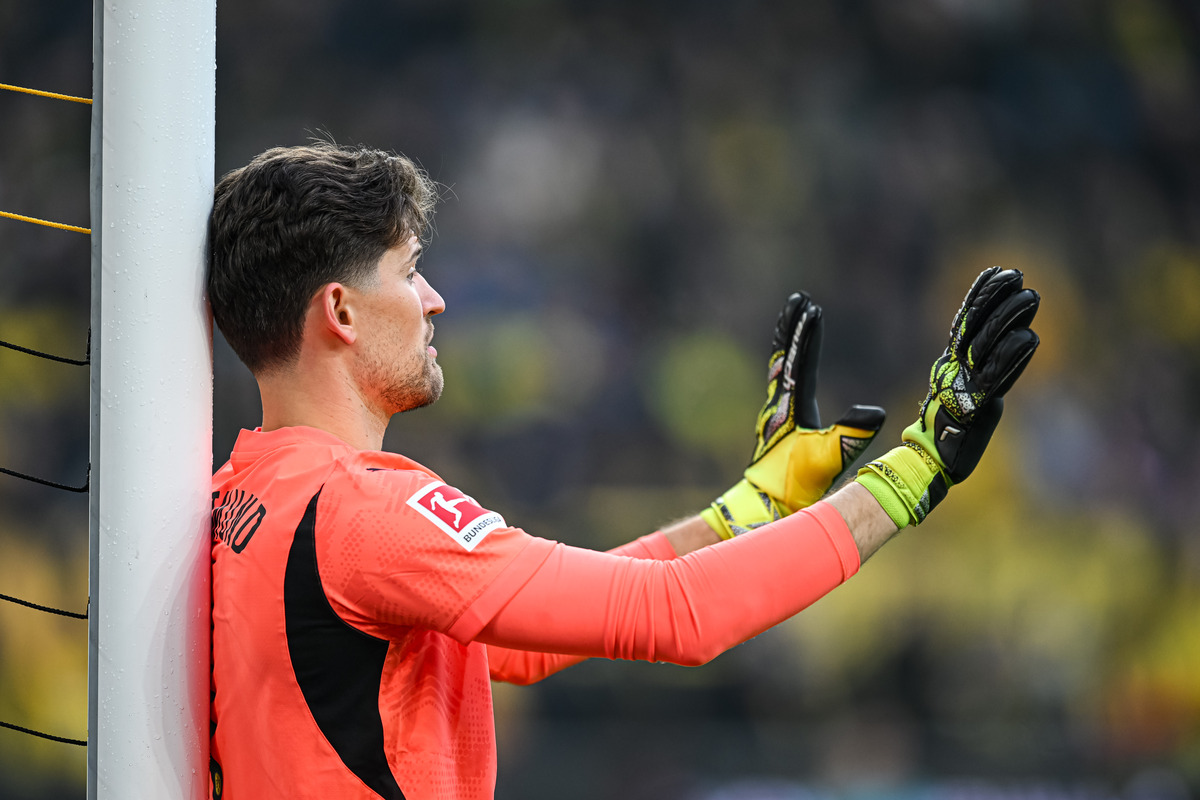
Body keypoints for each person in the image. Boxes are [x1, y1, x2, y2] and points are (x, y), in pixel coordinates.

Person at [206, 141, 1040, 800]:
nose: (435, 300)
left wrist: (747, 511)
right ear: (340, 312)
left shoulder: (231, 498)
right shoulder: (364, 509)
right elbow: (678, 618)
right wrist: (915, 469)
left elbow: (512, 652)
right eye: (410, 269)